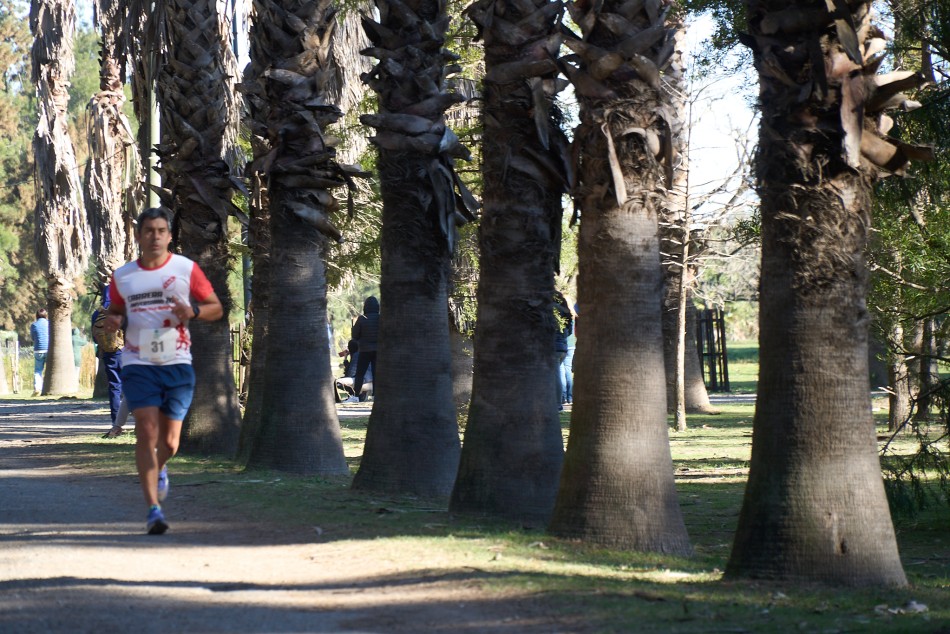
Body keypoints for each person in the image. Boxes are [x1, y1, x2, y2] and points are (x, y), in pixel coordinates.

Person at [102, 206, 223, 535]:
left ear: (169, 236)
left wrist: (192, 311)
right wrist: (114, 321)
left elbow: (216, 308)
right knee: (145, 428)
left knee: (169, 442)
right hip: (138, 362)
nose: (154, 236)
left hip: (177, 361)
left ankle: (161, 467)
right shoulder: (124, 275)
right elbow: (115, 311)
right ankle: (154, 509)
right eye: (148, 231)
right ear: (139, 236)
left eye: (160, 231)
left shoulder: (186, 269)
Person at [92, 288, 125, 437]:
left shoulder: (97, 314)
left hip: (108, 354)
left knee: (114, 387)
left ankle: (116, 423)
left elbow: (94, 337)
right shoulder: (122, 310)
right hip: (126, 351)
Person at [348, 296, 379, 403]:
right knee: (376, 373)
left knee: (360, 373)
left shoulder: (362, 318)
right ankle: (375, 395)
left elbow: (355, 335)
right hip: (378, 350)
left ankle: (356, 395)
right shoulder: (381, 318)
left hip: (364, 350)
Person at [554, 292, 573, 411]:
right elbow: (569, 329)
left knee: (557, 375)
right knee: (563, 372)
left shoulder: (552, 310)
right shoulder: (566, 312)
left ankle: (558, 403)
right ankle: (564, 399)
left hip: (554, 346)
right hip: (563, 346)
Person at [29, 308, 49, 396]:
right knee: (49, 370)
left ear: (37, 315)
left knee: (38, 371)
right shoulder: (50, 324)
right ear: (46, 315)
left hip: (38, 350)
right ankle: (48, 387)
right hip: (49, 349)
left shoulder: (34, 325)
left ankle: (37, 388)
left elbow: (32, 338)